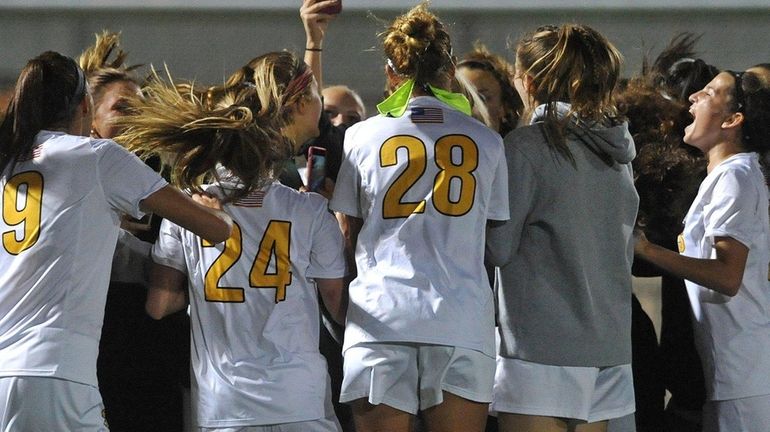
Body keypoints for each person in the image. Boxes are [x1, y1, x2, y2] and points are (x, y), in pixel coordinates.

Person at [0, 51, 232, 431]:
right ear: (85, 106)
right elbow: (215, 229)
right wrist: (213, 206)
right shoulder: (98, 157)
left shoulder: (8, 163)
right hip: (55, 372)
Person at [118, 50, 347, 432]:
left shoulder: (186, 210)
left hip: (223, 406)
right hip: (297, 400)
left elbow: (159, 305)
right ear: (299, 103)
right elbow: (338, 306)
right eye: (317, 93)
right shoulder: (307, 211)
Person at [329, 4, 509, 432]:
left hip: (380, 318)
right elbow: (491, 237)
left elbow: (347, 232)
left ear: (392, 72)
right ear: (449, 71)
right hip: (460, 320)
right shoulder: (487, 140)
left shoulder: (359, 136)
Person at [487, 24, 639, 432]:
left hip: (541, 353)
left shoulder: (525, 147)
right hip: (609, 349)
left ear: (531, 82)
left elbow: (497, 248)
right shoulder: (619, 153)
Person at [634, 70, 770, 432]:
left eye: (709, 92)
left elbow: (727, 276)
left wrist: (643, 248)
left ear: (732, 119)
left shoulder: (735, 176)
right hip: (729, 376)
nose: (693, 96)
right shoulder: (726, 175)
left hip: (744, 379)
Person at [79, 30, 189, 431]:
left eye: (139, 109)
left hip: (155, 363)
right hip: (90, 362)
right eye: (121, 108)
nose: (134, 119)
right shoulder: (69, 194)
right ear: (86, 117)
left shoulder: (169, 191)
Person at [457, 42, 522, 136]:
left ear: (504, 107)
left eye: (481, 98)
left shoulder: (517, 148)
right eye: (459, 97)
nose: (469, 107)